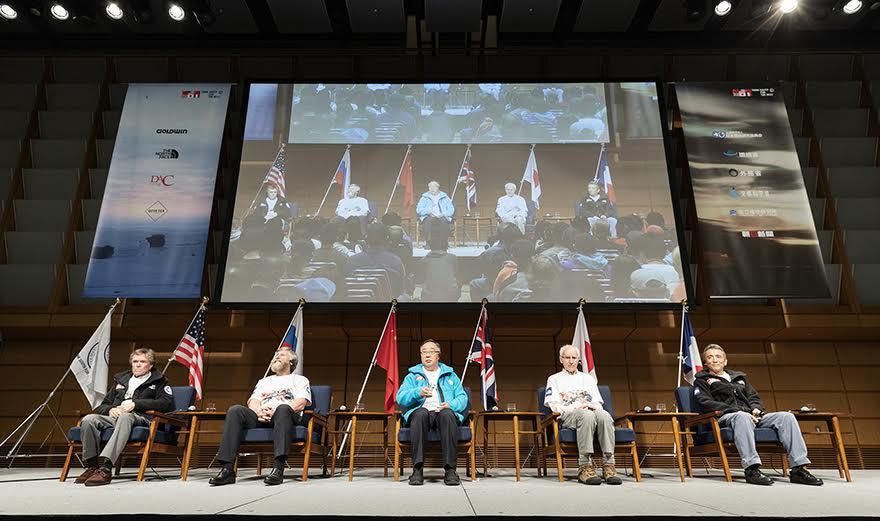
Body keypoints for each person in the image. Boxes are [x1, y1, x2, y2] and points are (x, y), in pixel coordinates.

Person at [693, 344, 823, 486]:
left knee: (786, 417)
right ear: (705, 362)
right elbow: (704, 402)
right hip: (725, 417)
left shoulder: (739, 378)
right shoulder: (702, 380)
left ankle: (799, 469)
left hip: (752, 416)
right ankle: (751, 469)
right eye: (710, 357)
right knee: (742, 417)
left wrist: (756, 409)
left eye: (718, 357)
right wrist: (735, 411)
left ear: (725, 361)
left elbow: (754, 397)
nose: (715, 360)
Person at [210, 348, 311, 486]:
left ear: (291, 362)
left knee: (282, 409)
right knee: (235, 410)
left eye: (281, 355)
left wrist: (274, 410)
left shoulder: (300, 380)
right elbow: (253, 401)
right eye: (275, 355)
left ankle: (278, 469)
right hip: (261, 416)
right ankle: (227, 470)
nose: (276, 357)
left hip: (285, 416)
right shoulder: (264, 381)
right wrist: (259, 412)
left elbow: (300, 403)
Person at [74, 348, 173, 486]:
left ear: (150, 365)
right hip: (115, 417)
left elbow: (166, 403)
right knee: (89, 419)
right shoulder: (121, 379)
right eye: (135, 361)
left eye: (142, 361)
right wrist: (110, 409)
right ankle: (92, 467)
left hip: (140, 418)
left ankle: (106, 468)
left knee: (126, 417)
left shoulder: (159, 381)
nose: (138, 365)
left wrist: (135, 404)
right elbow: (103, 405)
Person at [544, 345, 622, 485]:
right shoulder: (554, 379)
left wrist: (589, 406)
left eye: (574, 358)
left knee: (604, 415)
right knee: (586, 415)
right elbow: (553, 405)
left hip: (590, 411)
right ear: (561, 359)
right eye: (567, 357)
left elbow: (598, 403)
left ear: (579, 360)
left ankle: (608, 465)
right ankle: (585, 466)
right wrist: (576, 408)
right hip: (569, 414)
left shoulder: (588, 379)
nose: (571, 361)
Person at [396, 340, 468, 486]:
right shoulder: (412, 376)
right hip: (422, 414)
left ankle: (450, 471)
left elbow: (462, 398)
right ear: (421, 355)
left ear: (438, 355)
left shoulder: (450, 375)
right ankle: (417, 470)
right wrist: (418, 392)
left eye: (431, 351)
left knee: (447, 414)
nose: (427, 354)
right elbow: (400, 397)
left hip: (442, 412)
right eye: (424, 352)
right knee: (420, 413)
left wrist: (451, 405)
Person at [346, 223, 407, 298]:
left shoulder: (351, 261)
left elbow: (346, 289)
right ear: (387, 239)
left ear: (366, 239)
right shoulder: (396, 261)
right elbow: (400, 290)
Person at [240, 184, 293, 256]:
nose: (273, 194)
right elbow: (256, 213)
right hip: (263, 220)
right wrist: (264, 217)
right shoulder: (261, 201)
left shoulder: (282, 201)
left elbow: (288, 212)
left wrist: (277, 213)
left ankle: (274, 238)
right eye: (271, 192)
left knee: (275, 222)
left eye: (275, 192)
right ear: (267, 192)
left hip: (277, 220)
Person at [419, 234, 460, 302]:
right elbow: (457, 275)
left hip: (430, 295)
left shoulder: (423, 260)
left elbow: (419, 279)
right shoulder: (453, 258)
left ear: (430, 247)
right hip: (451, 295)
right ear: (446, 247)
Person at [416, 181, 454, 245]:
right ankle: (429, 242)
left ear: (438, 187)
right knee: (428, 220)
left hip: (442, 216)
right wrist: (428, 212)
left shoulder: (445, 197)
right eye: (430, 187)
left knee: (444, 221)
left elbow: (451, 209)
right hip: (429, 216)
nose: (432, 188)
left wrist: (443, 214)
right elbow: (419, 210)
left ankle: (443, 243)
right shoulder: (424, 197)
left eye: (434, 187)